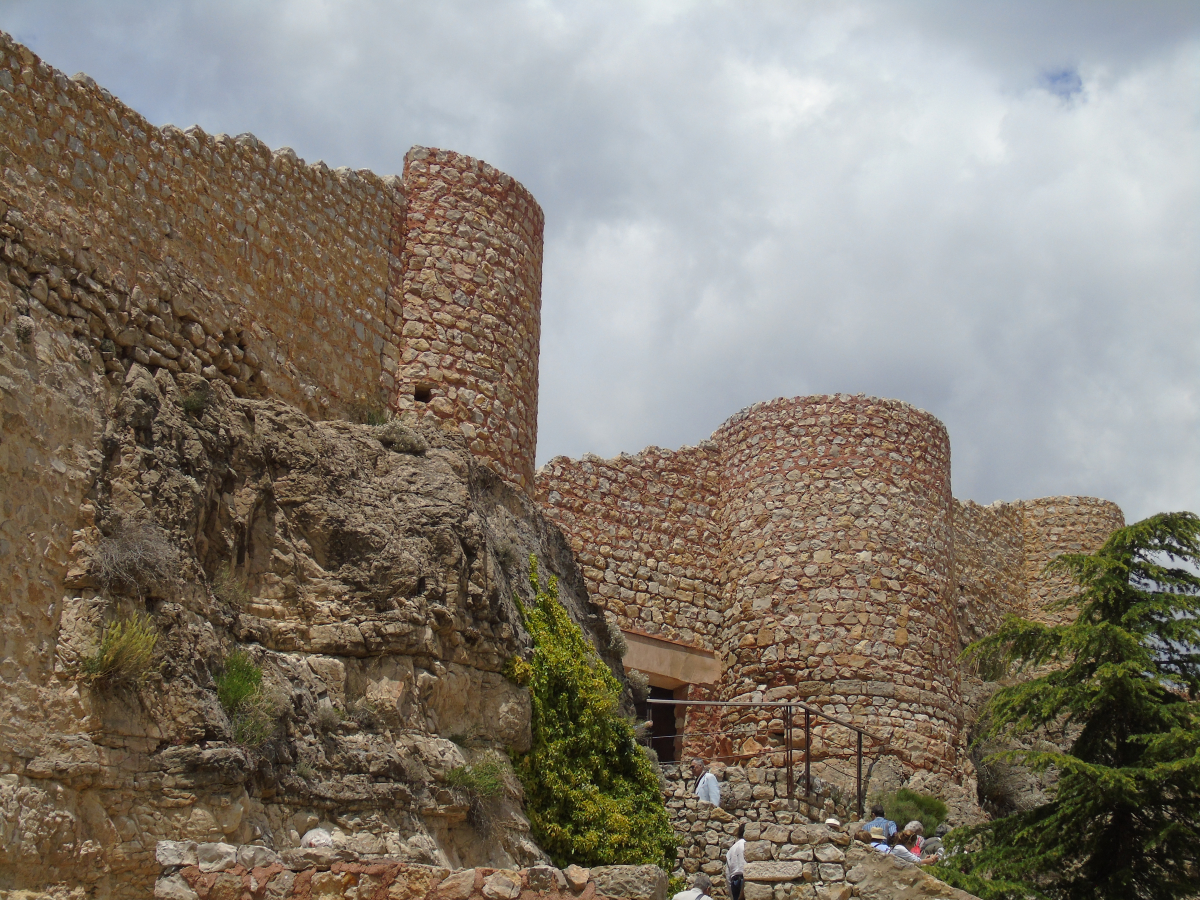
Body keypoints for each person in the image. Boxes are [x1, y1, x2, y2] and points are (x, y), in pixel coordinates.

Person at [725, 824, 746, 900]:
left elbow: (727, 873)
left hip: (734, 880)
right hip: (744, 879)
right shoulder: (746, 845)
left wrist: (731, 893)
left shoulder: (731, 849)